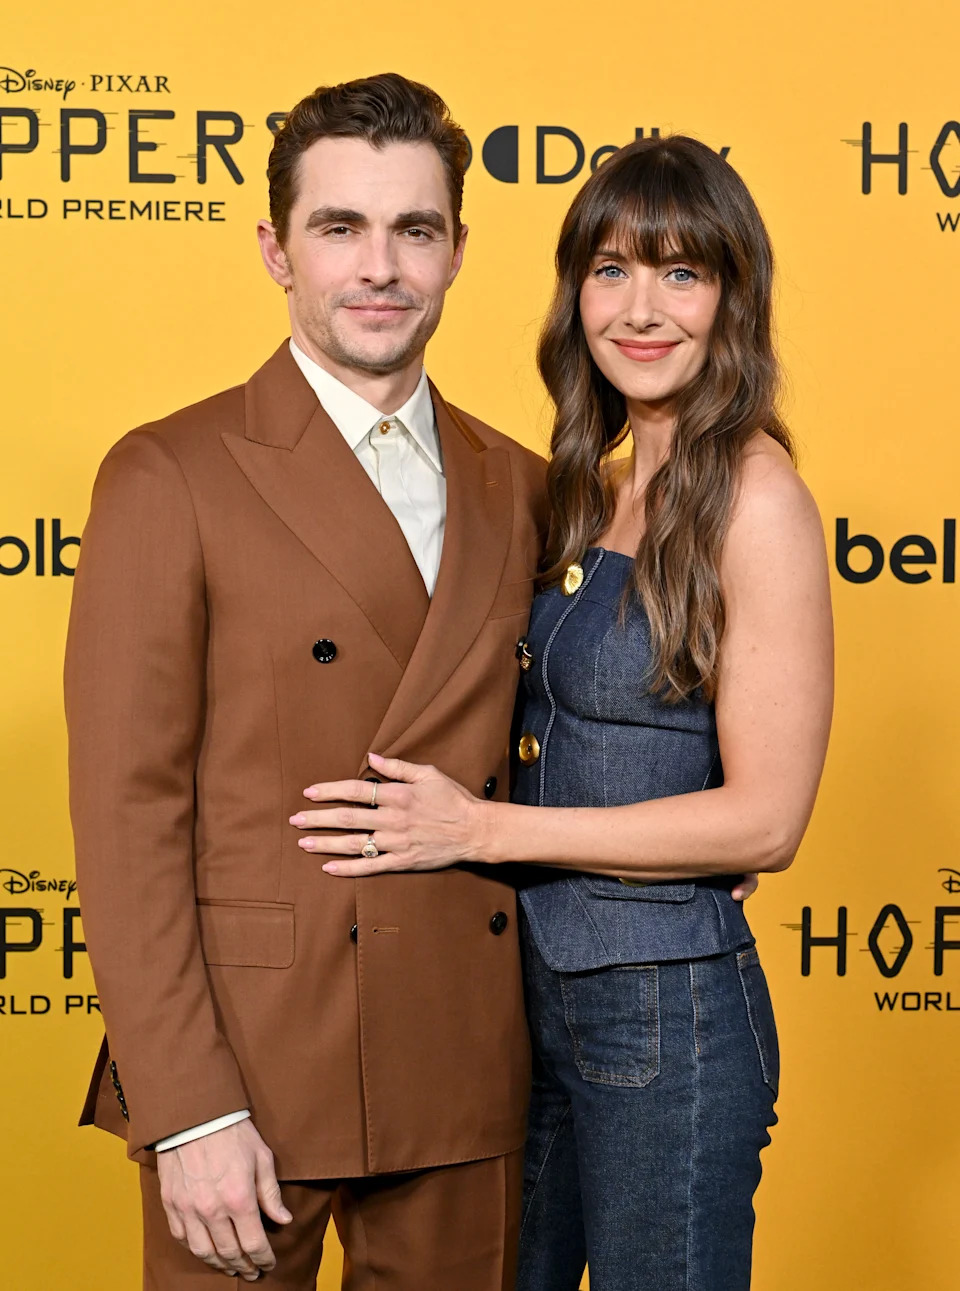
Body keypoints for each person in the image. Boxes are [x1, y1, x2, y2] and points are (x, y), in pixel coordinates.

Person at [294, 135, 834, 1291]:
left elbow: (766, 824)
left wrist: (487, 831)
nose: (643, 308)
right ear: (573, 292)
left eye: (683, 273)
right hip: (524, 1003)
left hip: (668, 1013)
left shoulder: (758, 496)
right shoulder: (580, 483)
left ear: (734, 298)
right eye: (611, 270)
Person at [64, 73, 549, 1290]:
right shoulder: (168, 472)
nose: (378, 265)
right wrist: (183, 1107)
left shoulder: (527, 483)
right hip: (248, 1081)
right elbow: (126, 821)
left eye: (414, 230)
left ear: (455, 253)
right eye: (341, 227)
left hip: (464, 1067)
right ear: (278, 250)